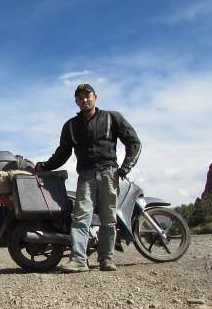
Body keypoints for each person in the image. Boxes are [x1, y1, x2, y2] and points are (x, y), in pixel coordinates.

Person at [36, 83, 141, 272]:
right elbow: (62, 153)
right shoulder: (71, 126)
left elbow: (134, 142)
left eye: (87, 95)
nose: (84, 99)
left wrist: (126, 167)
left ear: (95, 97)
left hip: (110, 173)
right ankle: (78, 260)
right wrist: (45, 166)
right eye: (80, 97)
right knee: (81, 217)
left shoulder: (112, 117)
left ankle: (106, 259)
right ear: (76, 101)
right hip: (86, 175)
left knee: (109, 219)